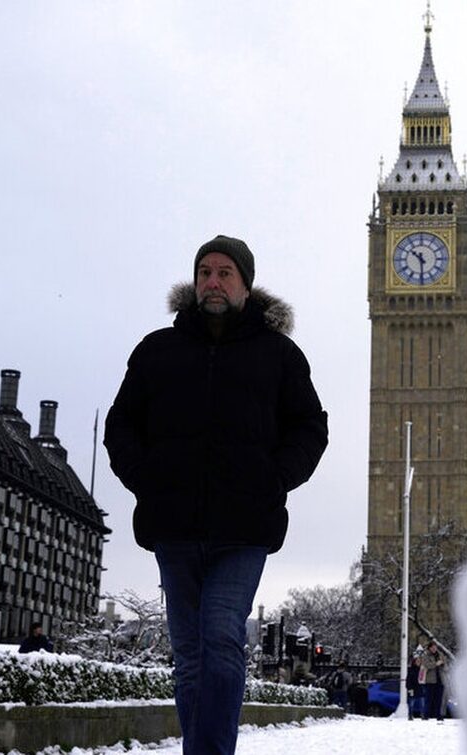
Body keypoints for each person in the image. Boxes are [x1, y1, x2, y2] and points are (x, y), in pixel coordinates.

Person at [105, 234, 329, 755]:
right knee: (189, 656)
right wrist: (147, 480)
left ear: (246, 286)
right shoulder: (157, 350)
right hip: (174, 526)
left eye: (226, 272)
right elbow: (121, 425)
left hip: (244, 529)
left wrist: (274, 480)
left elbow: (310, 428)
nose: (213, 281)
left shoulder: (279, 354)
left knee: (223, 643)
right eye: (205, 271)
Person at [418, 640, 448, 721]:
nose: (435, 649)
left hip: (440, 679)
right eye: (433, 647)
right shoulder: (426, 655)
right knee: (429, 699)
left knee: (439, 699)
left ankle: (439, 715)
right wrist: (436, 664)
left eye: (436, 647)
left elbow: (445, 666)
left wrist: (443, 664)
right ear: (430, 648)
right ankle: (426, 715)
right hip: (430, 680)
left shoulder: (440, 655)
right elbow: (426, 665)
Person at [406, 652, 423, 720]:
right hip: (412, 689)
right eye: (417, 661)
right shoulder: (411, 670)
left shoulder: (421, 670)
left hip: (420, 688)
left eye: (419, 661)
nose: (418, 662)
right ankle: (410, 715)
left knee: (422, 703)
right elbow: (408, 680)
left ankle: (423, 715)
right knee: (411, 703)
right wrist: (409, 688)